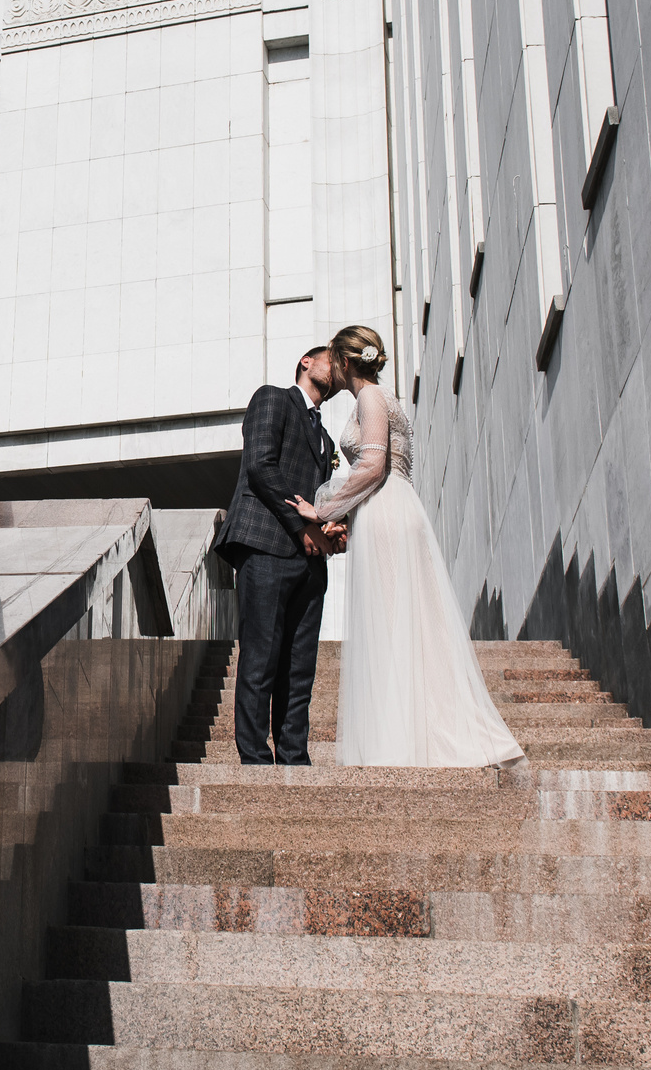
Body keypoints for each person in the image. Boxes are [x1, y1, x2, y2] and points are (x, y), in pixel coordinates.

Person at [288, 325, 524, 768]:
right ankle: (410, 732)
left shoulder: (370, 398)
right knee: (402, 620)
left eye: (334, 360)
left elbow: (374, 463)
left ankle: (401, 742)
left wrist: (324, 512)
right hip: (391, 507)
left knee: (393, 619)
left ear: (342, 361)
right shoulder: (381, 398)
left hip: (385, 508)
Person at [214, 345, 346, 765]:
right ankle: (254, 760)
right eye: (331, 358)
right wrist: (302, 526)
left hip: (310, 564)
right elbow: (261, 466)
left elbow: (320, 500)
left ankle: (294, 757)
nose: (337, 367)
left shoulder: (326, 439)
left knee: (300, 667)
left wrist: (331, 527)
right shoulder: (272, 397)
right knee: (260, 659)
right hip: (267, 547)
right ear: (306, 362)